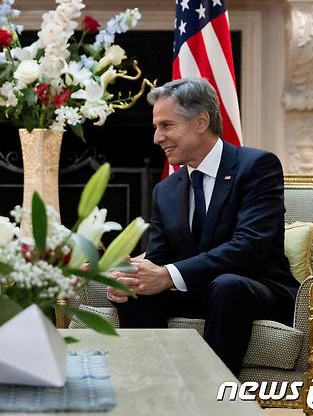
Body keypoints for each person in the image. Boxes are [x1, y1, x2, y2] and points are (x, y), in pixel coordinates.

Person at [107, 78, 299, 375]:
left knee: (227, 285)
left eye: (167, 126)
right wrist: (129, 276)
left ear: (200, 121)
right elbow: (159, 257)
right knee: (138, 292)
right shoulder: (167, 189)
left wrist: (169, 275)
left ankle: (212, 398)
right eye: (156, 127)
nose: (157, 138)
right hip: (197, 289)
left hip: (255, 288)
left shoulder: (257, 167)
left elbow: (249, 247)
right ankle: (154, 390)